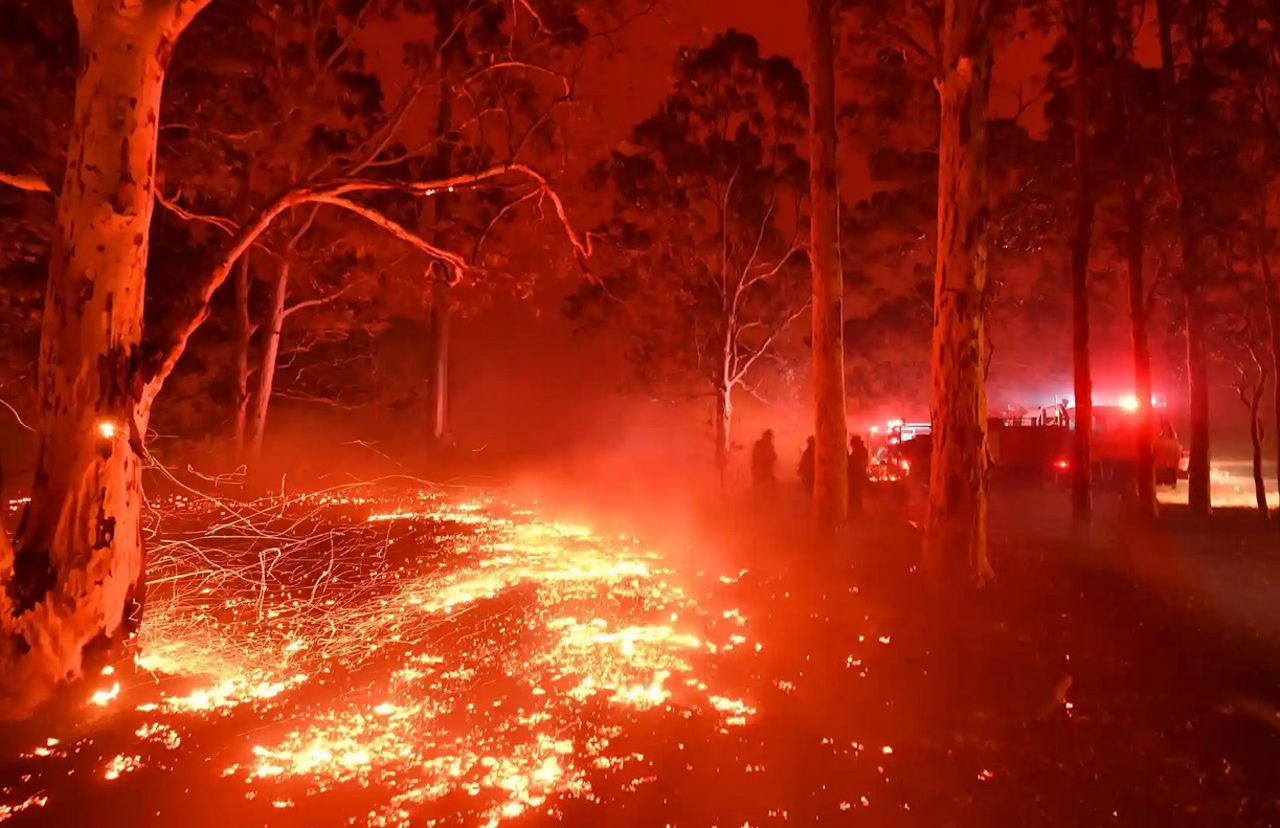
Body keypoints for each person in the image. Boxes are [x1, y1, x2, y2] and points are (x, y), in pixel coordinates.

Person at [751, 429, 778, 494]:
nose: (770, 439)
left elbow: (774, 456)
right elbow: (756, 457)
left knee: (773, 485)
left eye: (770, 437)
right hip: (758, 469)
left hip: (765, 469)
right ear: (765, 437)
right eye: (769, 437)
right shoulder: (758, 444)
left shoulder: (770, 445)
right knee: (757, 486)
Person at [848, 435, 869, 514]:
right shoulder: (862, 450)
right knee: (857, 494)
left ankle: (857, 510)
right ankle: (858, 509)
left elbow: (854, 463)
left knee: (855, 493)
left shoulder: (858, 451)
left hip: (856, 476)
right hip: (859, 475)